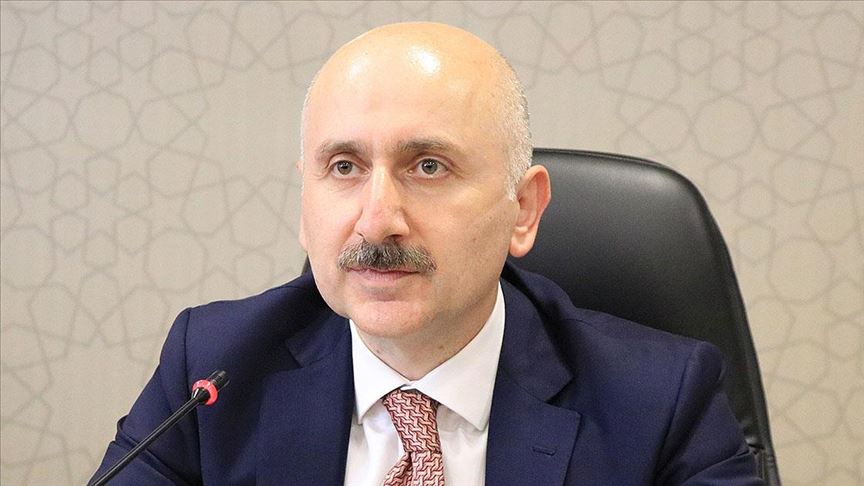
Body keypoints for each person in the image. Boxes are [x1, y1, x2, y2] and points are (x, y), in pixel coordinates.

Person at [92, 22, 762, 485]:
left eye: (429, 166)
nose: (377, 220)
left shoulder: (660, 402)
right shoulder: (212, 372)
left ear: (523, 210)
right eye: (345, 167)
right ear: (305, 205)